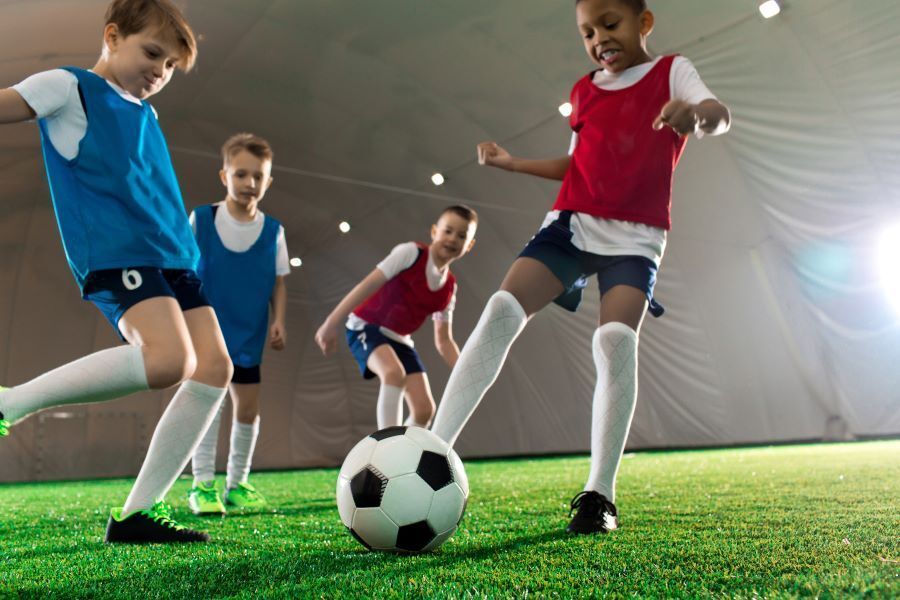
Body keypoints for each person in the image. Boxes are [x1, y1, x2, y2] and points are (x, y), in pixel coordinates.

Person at [430, 0, 731, 535]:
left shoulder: (671, 72)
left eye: (609, 25)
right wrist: (510, 162)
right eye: (587, 32)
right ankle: (433, 451)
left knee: (615, 343)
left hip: (636, 238)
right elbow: (576, 162)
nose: (598, 40)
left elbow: (716, 114)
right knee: (501, 310)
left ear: (645, 22)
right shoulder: (584, 89)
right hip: (572, 224)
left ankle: (599, 495)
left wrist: (694, 117)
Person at [0, 0, 233, 543]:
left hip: (173, 258)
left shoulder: (146, 112)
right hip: (119, 254)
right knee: (169, 360)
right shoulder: (69, 86)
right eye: (152, 52)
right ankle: (11, 402)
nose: (159, 71)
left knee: (214, 369)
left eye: (170, 65)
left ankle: (136, 515)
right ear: (112, 36)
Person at [187, 133, 290, 515]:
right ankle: (202, 485)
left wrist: (279, 319)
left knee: (247, 409)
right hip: (207, 332)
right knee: (208, 408)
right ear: (224, 175)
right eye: (241, 174)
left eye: (258, 176)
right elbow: (181, 272)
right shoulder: (201, 219)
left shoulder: (274, 231)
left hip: (249, 332)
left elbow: (279, 282)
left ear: (268, 182)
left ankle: (237, 483)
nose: (249, 183)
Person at [315, 206, 477, 430]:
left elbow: (444, 340)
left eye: (461, 236)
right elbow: (369, 284)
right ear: (434, 231)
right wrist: (331, 323)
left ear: (469, 245)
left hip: (399, 338)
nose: (452, 239)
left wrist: (466, 374)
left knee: (424, 410)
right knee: (393, 373)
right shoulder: (411, 253)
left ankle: (403, 452)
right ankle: (386, 446)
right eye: (447, 231)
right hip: (365, 325)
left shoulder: (449, 288)